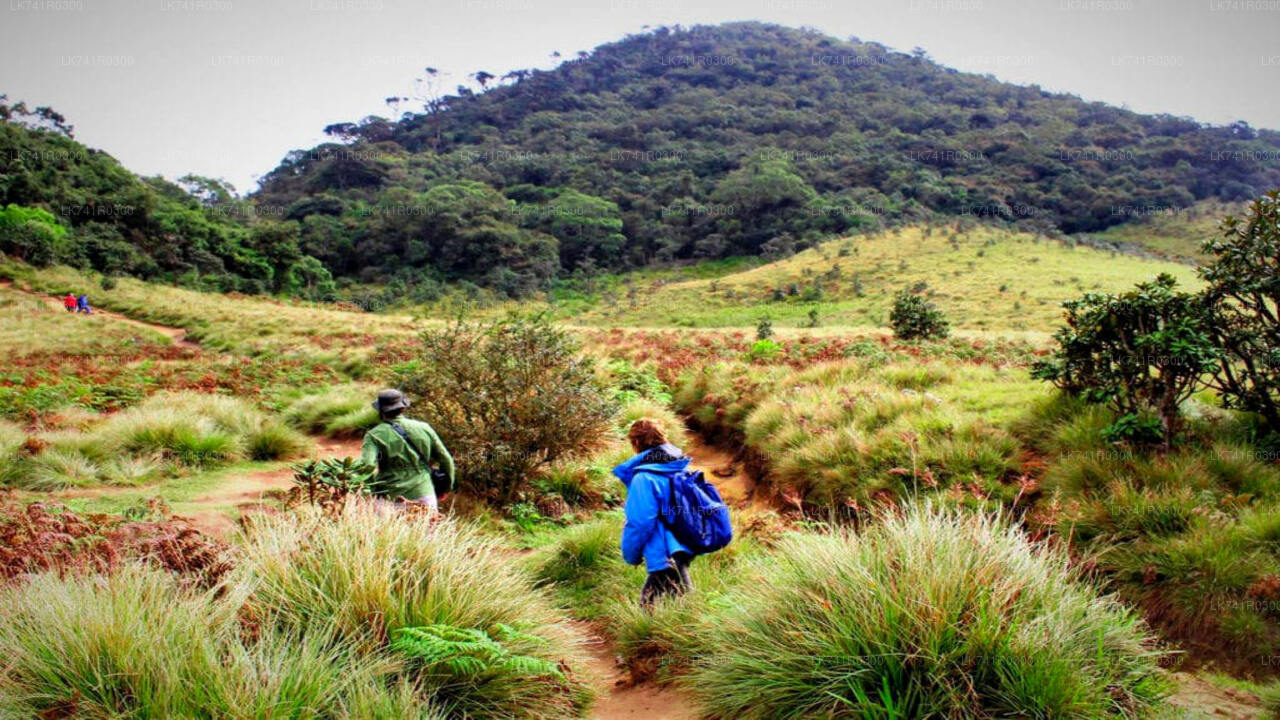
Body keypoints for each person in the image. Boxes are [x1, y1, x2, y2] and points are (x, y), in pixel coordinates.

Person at [614, 418, 693, 607]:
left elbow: (640, 522)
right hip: (683, 543)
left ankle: (652, 634)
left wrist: (631, 554)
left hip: (662, 551)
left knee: (658, 604)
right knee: (677, 596)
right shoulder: (679, 466)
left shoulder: (644, 478)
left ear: (636, 443)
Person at [359, 389, 455, 514]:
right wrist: (446, 488)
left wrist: (372, 489)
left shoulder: (373, 435)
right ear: (403, 408)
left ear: (380, 410)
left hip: (388, 496)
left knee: (388, 533)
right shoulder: (424, 428)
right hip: (423, 492)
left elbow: (367, 465)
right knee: (427, 532)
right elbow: (446, 459)